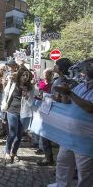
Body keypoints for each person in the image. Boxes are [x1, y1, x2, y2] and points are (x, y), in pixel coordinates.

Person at [48, 58, 93, 187]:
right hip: (70, 135)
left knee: (85, 172)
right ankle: (61, 185)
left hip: (87, 140)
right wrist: (62, 94)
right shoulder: (82, 85)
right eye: (87, 65)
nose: (87, 68)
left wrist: (69, 94)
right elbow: (68, 102)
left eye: (91, 65)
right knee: (63, 162)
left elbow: (89, 107)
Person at [1, 67, 34, 163]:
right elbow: (5, 94)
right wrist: (4, 106)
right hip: (12, 111)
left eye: (27, 76)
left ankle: (14, 153)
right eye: (23, 75)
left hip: (24, 113)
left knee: (19, 135)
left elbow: (31, 103)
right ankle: (7, 152)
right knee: (12, 133)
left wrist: (27, 96)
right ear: (19, 75)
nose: (25, 77)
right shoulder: (13, 84)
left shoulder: (30, 87)